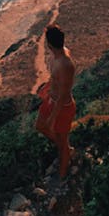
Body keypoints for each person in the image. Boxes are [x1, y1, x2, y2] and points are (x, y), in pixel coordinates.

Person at [35, 24, 76, 179]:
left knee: (62, 143)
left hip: (63, 108)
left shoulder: (66, 65)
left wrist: (52, 118)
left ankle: (62, 175)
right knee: (40, 126)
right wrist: (46, 88)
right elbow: (55, 79)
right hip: (51, 100)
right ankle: (65, 148)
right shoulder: (56, 55)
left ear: (49, 44)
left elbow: (63, 94)